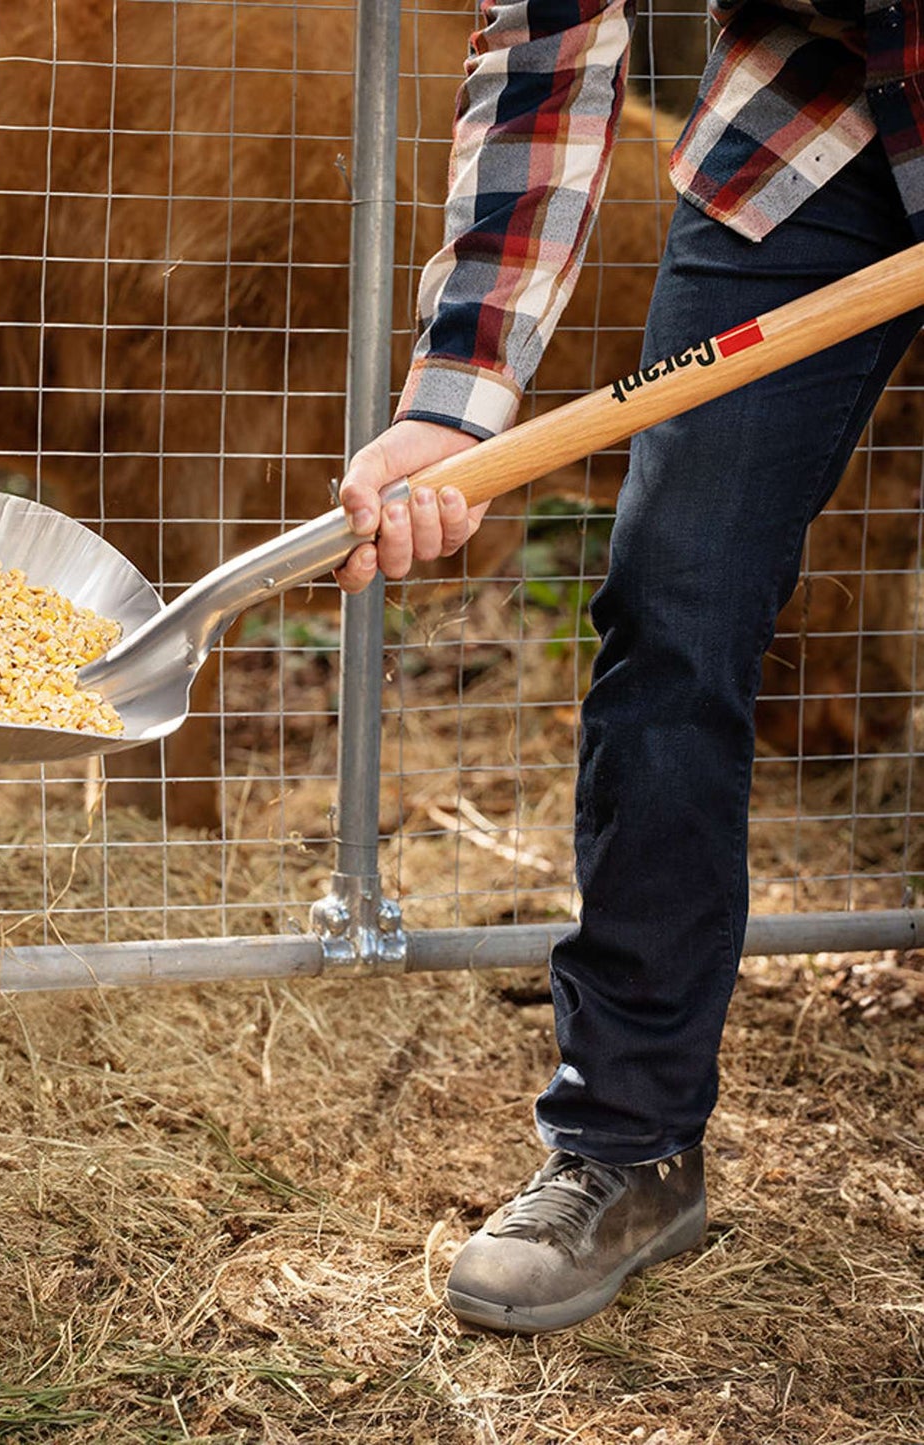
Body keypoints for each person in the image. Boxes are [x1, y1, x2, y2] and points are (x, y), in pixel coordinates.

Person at [335, 0, 924, 1334]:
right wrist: (455, 400)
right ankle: (629, 1142)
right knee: (673, 600)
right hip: (808, 132)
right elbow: (546, 53)